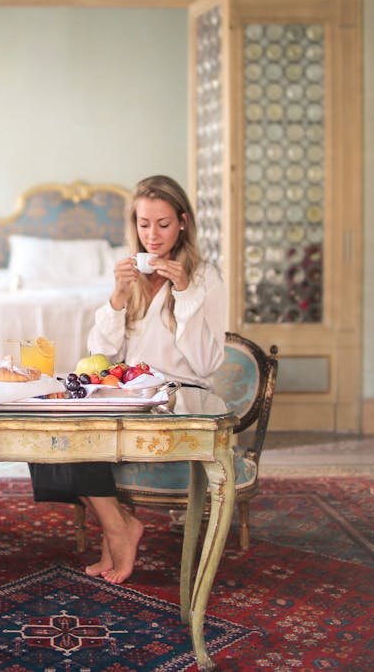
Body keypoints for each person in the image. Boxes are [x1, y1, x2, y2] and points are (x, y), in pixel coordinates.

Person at [28, 174, 227, 585]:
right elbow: (102, 356)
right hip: (128, 393)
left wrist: (185, 292)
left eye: (163, 224)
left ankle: (117, 530)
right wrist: (118, 298)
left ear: (184, 222)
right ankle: (119, 523)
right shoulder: (131, 273)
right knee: (46, 427)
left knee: (81, 437)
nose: (152, 236)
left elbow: (206, 364)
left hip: (179, 399)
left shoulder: (206, 278)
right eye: (143, 224)